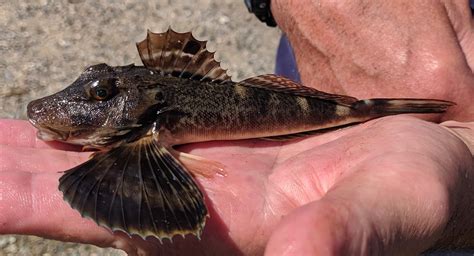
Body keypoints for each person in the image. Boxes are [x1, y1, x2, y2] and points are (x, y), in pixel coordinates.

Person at [0, 0, 473, 255]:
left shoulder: (147, 130)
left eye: (101, 95)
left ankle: (381, 109)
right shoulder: (140, 115)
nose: (59, 108)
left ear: (143, 109)